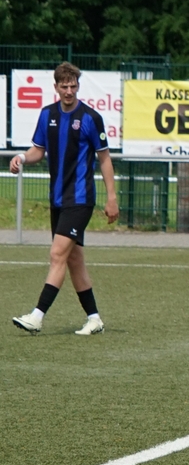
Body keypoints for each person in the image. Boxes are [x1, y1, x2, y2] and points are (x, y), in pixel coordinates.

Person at [10, 63, 120, 336]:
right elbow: (38, 151)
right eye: (64, 86)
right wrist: (22, 157)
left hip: (80, 199)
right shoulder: (47, 114)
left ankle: (37, 317)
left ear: (78, 86)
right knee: (74, 260)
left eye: (73, 86)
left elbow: (104, 159)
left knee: (57, 254)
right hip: (58, 200)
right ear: (56, 87)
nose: (69, 91)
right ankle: (94, 318)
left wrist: (112, 198)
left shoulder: (90, 118)